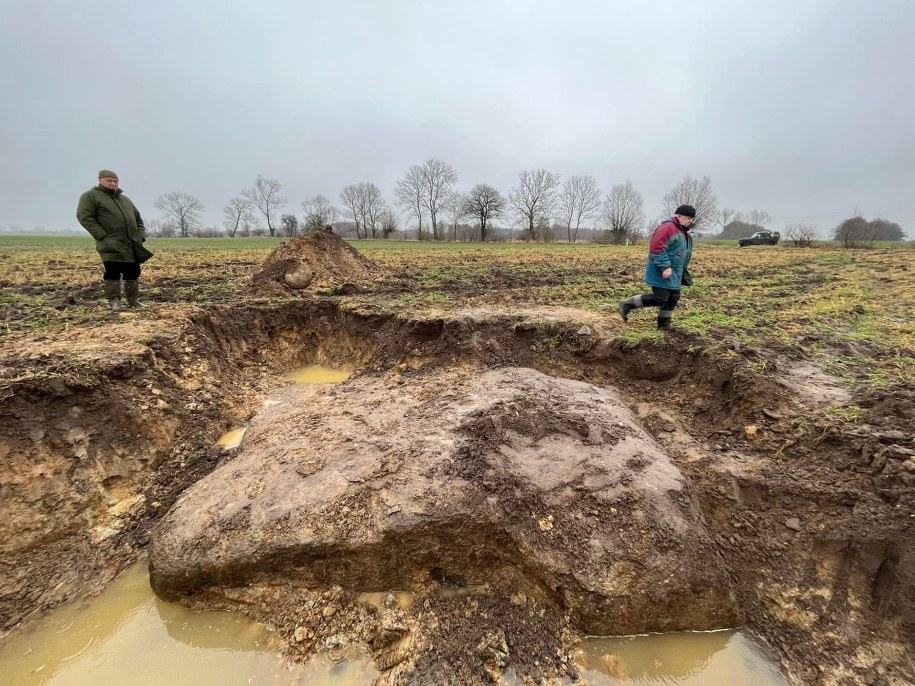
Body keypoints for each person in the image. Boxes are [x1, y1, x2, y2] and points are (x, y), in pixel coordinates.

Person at [76, 169, 150, 310]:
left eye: (115, 181)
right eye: (109, 180)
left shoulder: (125, 199)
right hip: (110, 243)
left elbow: (139, 220)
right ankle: (115, 302)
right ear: (100, 180)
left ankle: (133, 301)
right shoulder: (90, 196)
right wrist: (102, 236)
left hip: (131, 244)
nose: (113, 183)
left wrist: (140, 236)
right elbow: (85, 218)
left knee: (133, 272)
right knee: (113, 272)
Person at [619, 204, 695, 330]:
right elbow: (657, 248)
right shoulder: (668, 228)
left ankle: (664, 325)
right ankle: (628, 303)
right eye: (689, 218)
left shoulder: (683, 231)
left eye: (692, 219)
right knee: (660, 298)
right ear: (679, 216)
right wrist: (665, 266)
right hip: (662, 270)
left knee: (673, 298)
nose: (691, 221)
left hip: (676, 272)